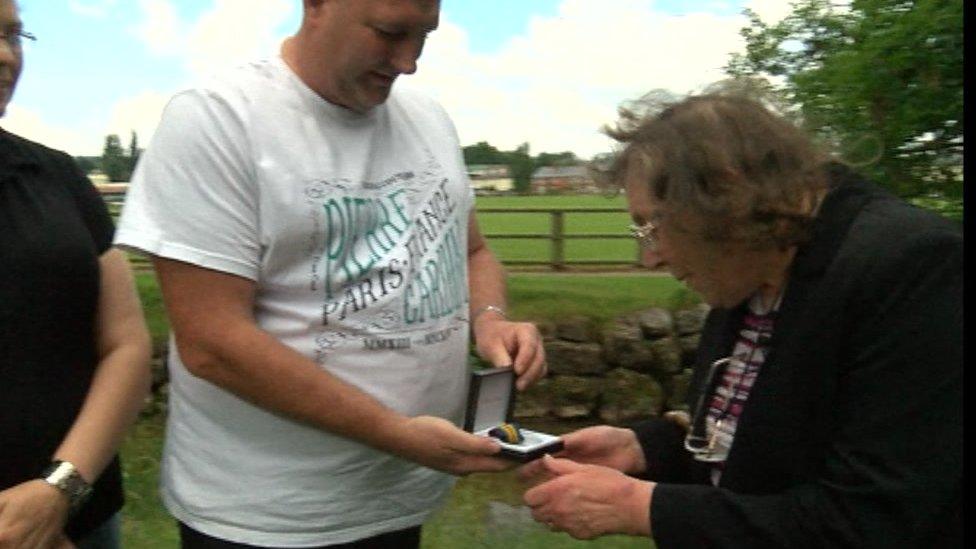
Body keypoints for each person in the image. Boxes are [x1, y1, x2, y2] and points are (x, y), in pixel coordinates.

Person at [114, 0, 546, 547]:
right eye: (390, 33)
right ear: (316, 5)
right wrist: (399, 436)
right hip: (270, 518)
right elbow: (212, 342)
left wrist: (490, 320)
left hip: (400, 497)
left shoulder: (428, 118)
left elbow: (472, 252)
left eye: (424, 36)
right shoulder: (218, 120)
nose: (409, 61)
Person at [520, 88, 962, 547]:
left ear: (726, 195)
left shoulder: (910, 266)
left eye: (653, 227)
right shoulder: (751, 270)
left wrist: (641, 507)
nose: (650, 258)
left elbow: (872, 520)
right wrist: (643, 448)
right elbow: (754, 443)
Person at [0, 1, 153, 547]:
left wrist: (57, 490)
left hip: (76, 521)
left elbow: (127, 344)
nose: (6, 55)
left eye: (15, 36)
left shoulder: (58, 178)